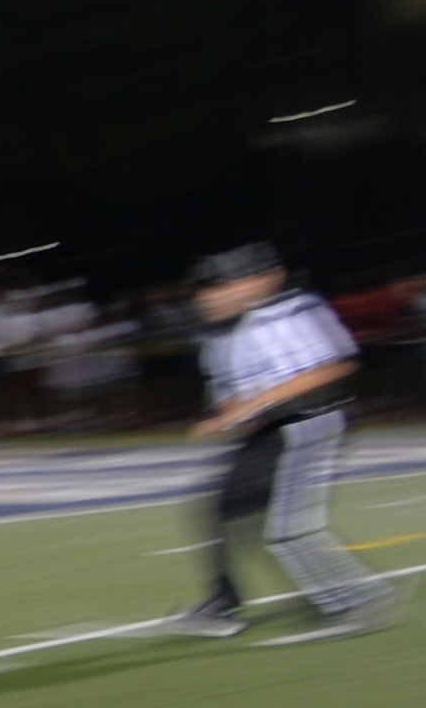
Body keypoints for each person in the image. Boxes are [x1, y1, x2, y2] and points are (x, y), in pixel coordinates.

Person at [168, 243, 396, 639]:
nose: (209, 297)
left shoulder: (291, 311)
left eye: (222, 286)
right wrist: (228, 415)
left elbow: (329, 369)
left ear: (264, 281)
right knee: (223, 508)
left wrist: (250, 405)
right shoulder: (222, 334)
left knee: (287, 530)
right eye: (207, 289)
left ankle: (357, 601)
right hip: (275, 427)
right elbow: (235, 398)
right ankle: (223, 602)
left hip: (307, 421)